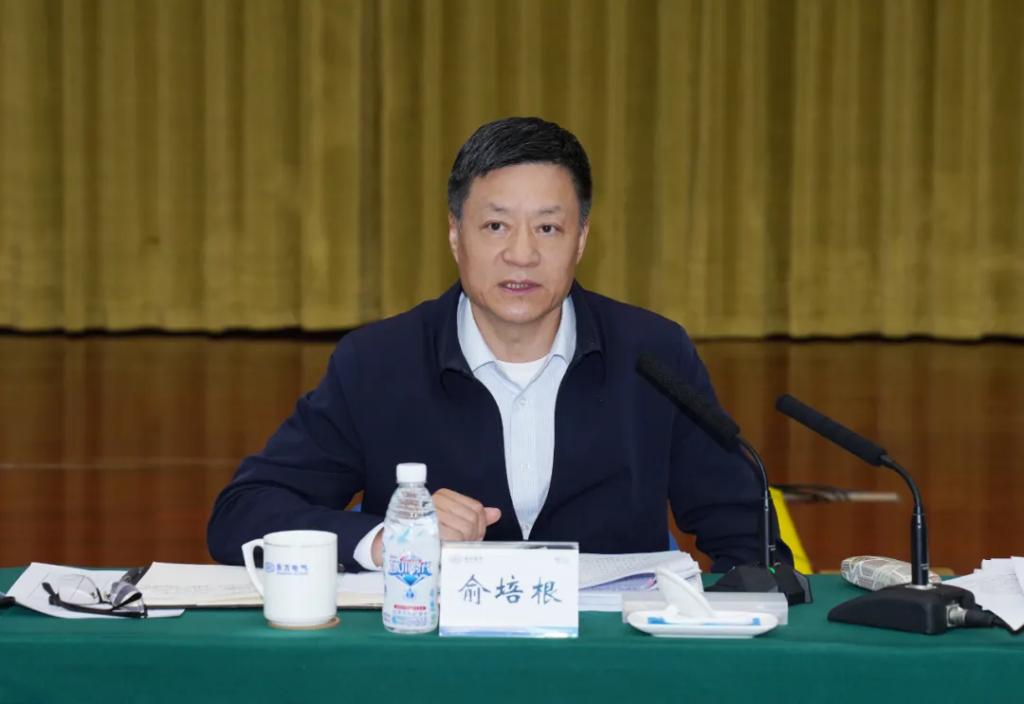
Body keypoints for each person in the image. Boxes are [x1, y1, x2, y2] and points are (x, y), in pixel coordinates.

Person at [208, 116, 790, 573]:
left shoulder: (653, 354)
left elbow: (747, 536)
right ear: (454, 234)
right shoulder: (379, 363)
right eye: (495, 226)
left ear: (581, 239)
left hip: (608, 662)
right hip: (437, 661)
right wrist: (386, 540)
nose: (522, 255)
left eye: (548, 228)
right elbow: (243, 513)